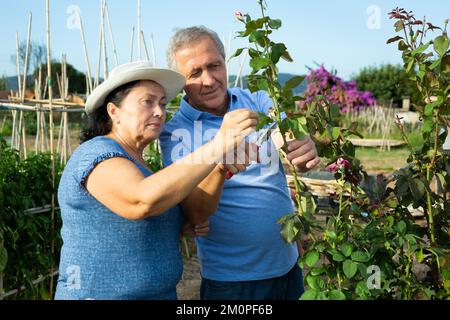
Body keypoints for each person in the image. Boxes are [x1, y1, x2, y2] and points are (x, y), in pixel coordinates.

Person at [55, 61, 258, 300]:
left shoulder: (143, 167)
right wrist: (217, 145)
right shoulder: (96, 153)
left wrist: (217, 171)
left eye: (162, 103)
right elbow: (142, 200)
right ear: (114, 111)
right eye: (147, 102)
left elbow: (157, 212)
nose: (160, 112)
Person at [160, 26, 320, 300]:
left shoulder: (257, 100)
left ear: (225, 63)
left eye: (214, 66)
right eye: (195, 73)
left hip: (288, 265)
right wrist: (221, 162)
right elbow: (195, 214)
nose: (209, 80)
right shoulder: (174, 132)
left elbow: (286, 132)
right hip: (233, 282)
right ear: (180, 81)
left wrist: (302, 146)